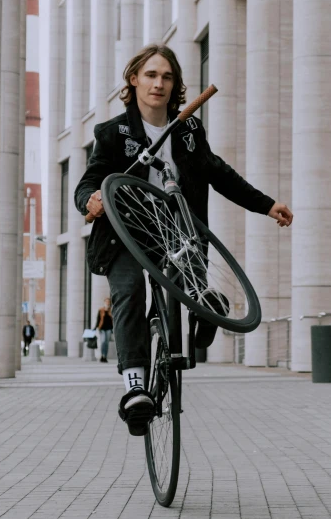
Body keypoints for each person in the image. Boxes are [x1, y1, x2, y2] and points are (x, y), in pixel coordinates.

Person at [75, 44, 293, 436]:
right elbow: (90, 182)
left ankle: (203, 307)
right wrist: (89, 200)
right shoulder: (112, 133)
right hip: (126, 234)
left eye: (167, 77)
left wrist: (267, 205)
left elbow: (218, 173)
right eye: (151, 75)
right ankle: (136, 388)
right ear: (134, 80)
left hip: (177, 232)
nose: (159, 83)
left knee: (189, 272)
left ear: (175, 84)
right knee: (128, 293)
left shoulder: (188, 128)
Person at [95, 297, 114, 363]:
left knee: (106, 343)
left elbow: (113, 320)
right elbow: (98, 319)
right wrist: (96, 327)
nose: (107, 303)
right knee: (103, 342)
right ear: (104, 302)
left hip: (109, 329)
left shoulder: (111, 310)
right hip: (102, 328)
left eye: (108, 302)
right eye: (106, 302)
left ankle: (105, 356)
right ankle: (102, 355)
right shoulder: (101, 310)